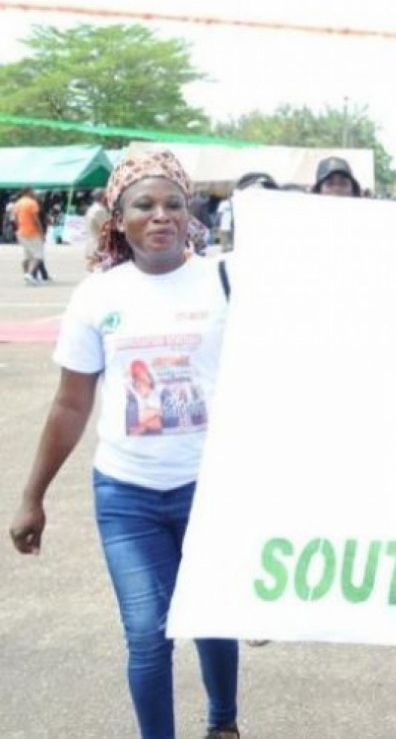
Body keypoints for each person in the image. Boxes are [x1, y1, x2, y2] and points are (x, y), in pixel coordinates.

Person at [8, 147, 240, 739]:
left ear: (190, 214)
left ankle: (223, 722)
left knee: (212, 613)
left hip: (210, 488)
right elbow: (70, 404)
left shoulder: (224, 282)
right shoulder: (98, 296)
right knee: (147, 631)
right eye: (144, 205)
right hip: (127, 495)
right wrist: (33, 496)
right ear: (119, 219)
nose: (161, 215)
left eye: (174, 204)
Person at [15, 187, 46, 285]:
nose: (34, 193)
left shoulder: (18, 203)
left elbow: (15, 218)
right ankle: (30, 274)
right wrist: (41, 232)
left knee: (26, 256)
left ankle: (26, 276)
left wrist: (18, 228)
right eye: (32, 191)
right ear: (28, 192)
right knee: (38, 256)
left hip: (21, 232)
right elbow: (36, 219)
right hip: (33, 232)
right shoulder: (32, 203)